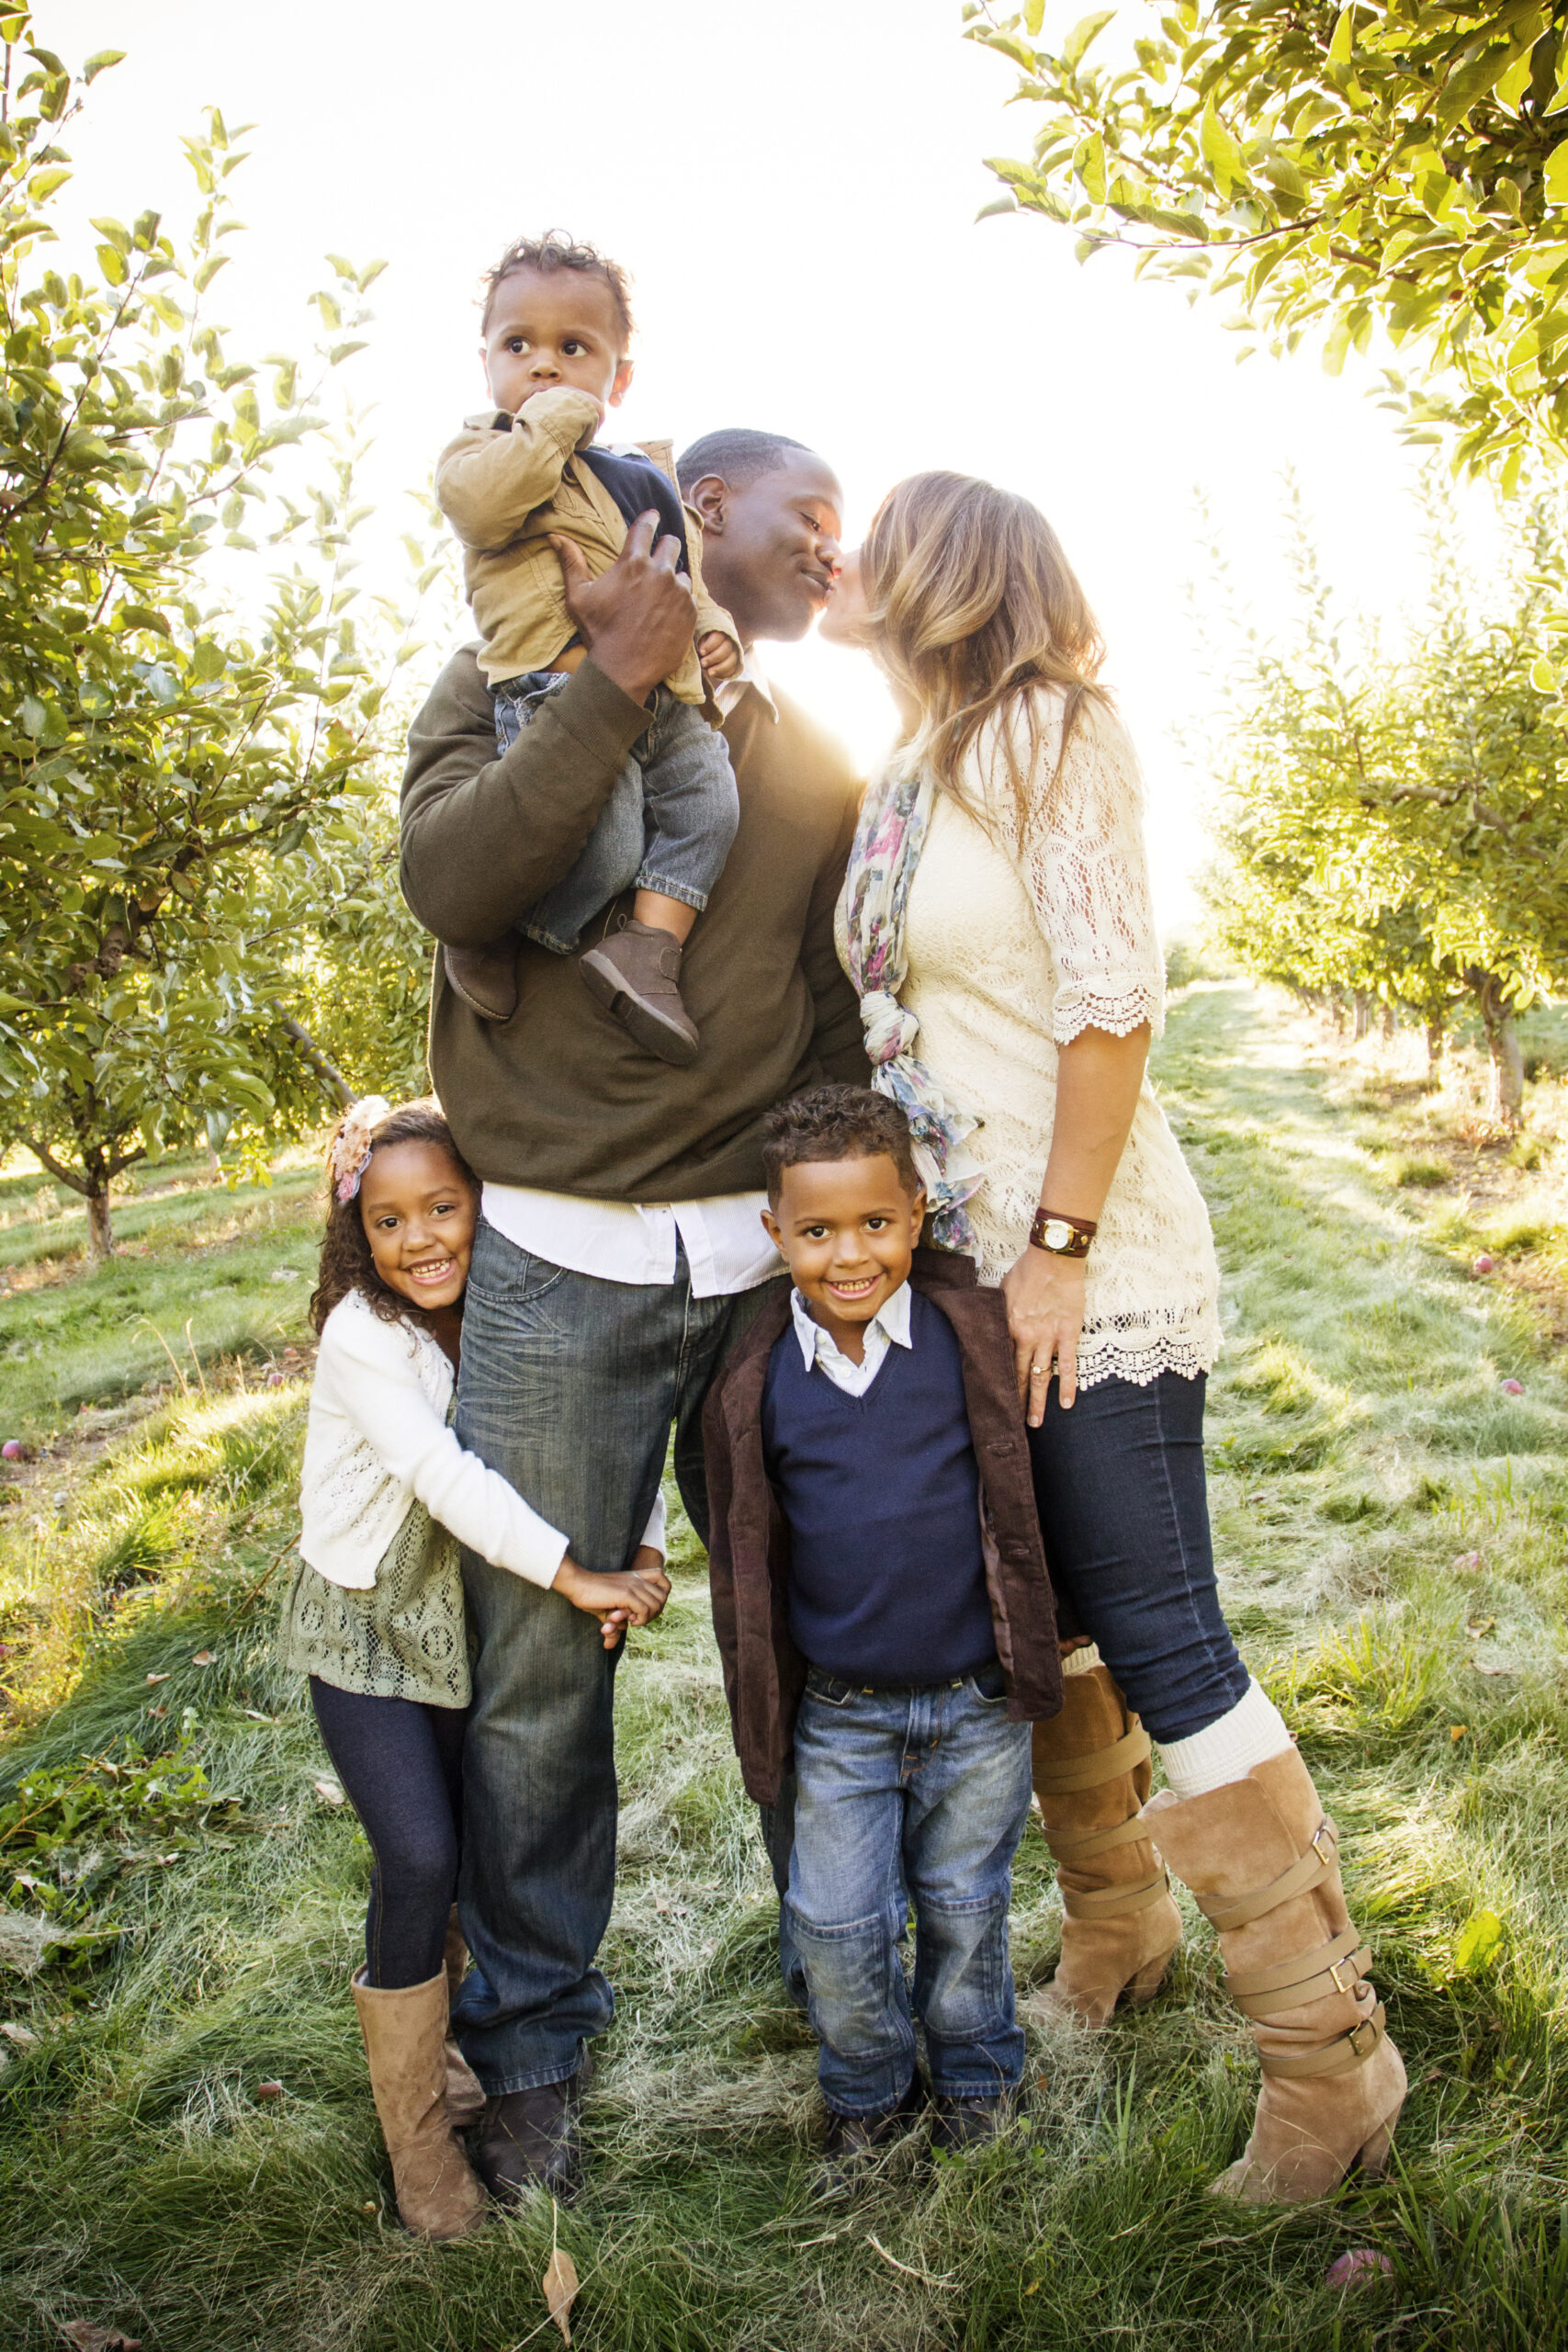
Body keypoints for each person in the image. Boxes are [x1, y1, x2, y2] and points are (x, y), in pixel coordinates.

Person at [820, 471, 1407, 2206]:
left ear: (941, 574)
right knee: (1051, 1612)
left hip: (1086, 1260)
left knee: (1157, 1627)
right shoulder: (910, 775)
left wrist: (1060, 1250)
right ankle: (1117, 1931)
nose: (843, 566)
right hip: (970, 1271)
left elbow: (1108, 1002)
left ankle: (1329, 2061)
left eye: (877, 545)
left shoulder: (1046, 731)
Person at [398, 425, 863, 2199]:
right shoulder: (497, 688)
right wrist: (608, 681)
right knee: (536, 1682)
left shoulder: (809, 762)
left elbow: (825, 1013)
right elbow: (457, 888)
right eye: (802, 514)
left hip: (759, 1275)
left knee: (809, 1641)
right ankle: (528, 2060)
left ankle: (853, 2011)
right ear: (685, 522)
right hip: (555, 1269)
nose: (830, 547)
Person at [279, 1095, 669, 2236]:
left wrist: (638, 1536)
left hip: (465, 1620)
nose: (422, 1240)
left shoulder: (507, 1310)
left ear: (484, 1203)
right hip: (366, 1625)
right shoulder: (364, 1333)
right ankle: (418, 2152)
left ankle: (456, 2070)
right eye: (390, 1220)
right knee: (417, 1849)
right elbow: (442, 1476)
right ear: (361, 1235)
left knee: (463, 1855)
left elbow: (607, 1416)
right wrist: (575, 1576)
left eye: (443, 1207)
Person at [702, 1085, 1061, 2189]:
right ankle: (866, 2091)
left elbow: (1024, 1493)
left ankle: (975, 2077)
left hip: (974, 1705)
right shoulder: (757, 1382)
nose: (848, 1254)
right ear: (777, 1235)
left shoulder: (969, 1340)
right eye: (816, 1232)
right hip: (843, 1715)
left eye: (874, 1223)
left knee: (965, 1907)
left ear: (917, 1213)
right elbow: (737, 1530)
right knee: (836, 1920)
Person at [434, 232, 744, 1065]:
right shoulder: (481, 453)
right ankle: (494, 926)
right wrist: (553, 419)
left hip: (665, 697)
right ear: (487, 364)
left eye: (573, 349)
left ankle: (648, 951)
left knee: (712, 805)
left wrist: (713, 631)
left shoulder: (642, 477)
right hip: (554, 690)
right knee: (607, 845)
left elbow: (688, 575)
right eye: (518, 346)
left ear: (621, 375)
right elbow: (485, 510)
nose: (543, 366)